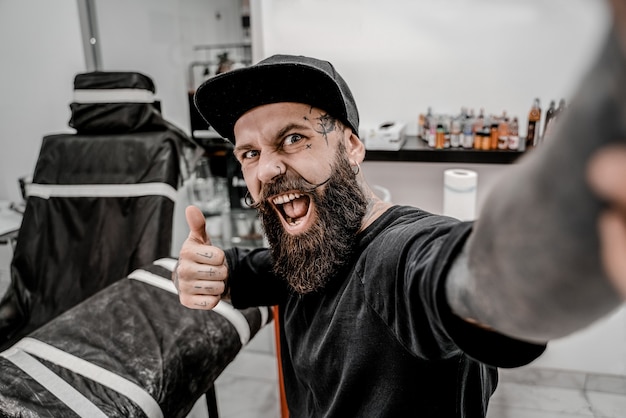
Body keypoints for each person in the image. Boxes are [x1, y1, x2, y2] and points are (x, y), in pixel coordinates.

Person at [174, 4, 626, 417]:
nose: (267, 169)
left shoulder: (396, 258)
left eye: (293, 138)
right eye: (249, 153)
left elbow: (488, 278)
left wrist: (574, 214)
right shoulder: (311, 246)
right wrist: (215, 269)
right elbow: (264, 268)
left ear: (351, 147)